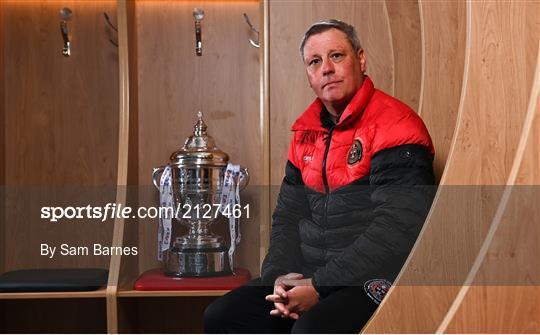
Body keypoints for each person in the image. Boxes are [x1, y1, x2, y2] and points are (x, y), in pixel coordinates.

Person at [204, 19, 435, 333]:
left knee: (310, 330)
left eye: (336, 56)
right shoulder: (304, 135)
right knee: (222, 316)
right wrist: (279, 277)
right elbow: (288, 216)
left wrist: (321, 286)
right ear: (309, 75)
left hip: (378, 278)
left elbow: (396, 230)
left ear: (361, 59)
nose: (326, 68)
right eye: (315, 61)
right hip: (314, 274)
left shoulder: (397, 125)